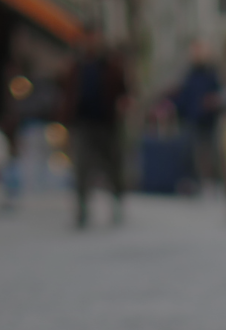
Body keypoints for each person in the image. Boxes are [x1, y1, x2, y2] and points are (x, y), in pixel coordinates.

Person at [55, 27, 133, 228]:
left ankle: (117, 204)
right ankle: (82, 209)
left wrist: (122, 106)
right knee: (81, 167)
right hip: (82, 123)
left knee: (112, 166)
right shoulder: (76, 65)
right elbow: (65, 90)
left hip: (107, 123)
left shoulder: (111, 64)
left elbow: (124, 90)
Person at [170, 42, 225, 194]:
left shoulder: (211, 74)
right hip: (191, 119)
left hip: (207, 120)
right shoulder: (189, 74)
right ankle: (194, 182)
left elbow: (218, 94)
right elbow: (183, 95)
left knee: (209, 152)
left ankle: (210, 183)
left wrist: (212, 102)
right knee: (190, 152)